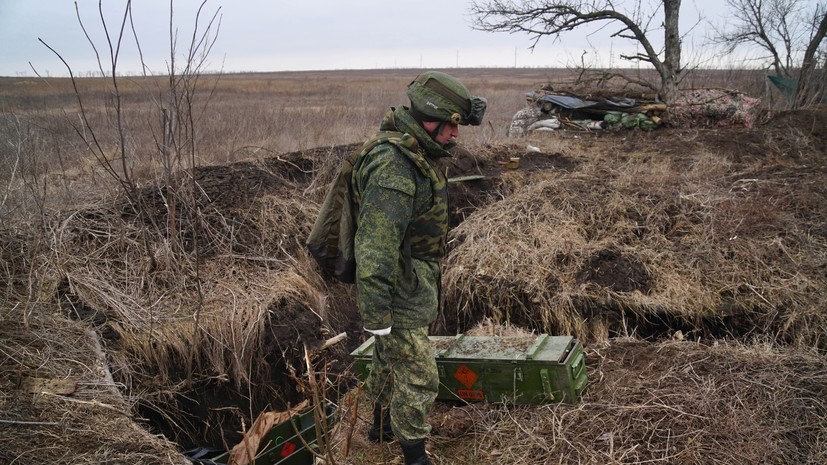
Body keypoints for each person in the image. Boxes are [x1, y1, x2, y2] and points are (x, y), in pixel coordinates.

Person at [351, 71, 486, 465]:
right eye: (453, 126)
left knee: (386, 360)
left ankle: (378, 428)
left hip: (409, 283)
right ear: (432, 118)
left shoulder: (415, 153)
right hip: (397, 289)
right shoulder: (394, 167)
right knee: (419, 375)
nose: (456, 136)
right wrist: (377, 315)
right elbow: (375, 247)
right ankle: (414, 456)